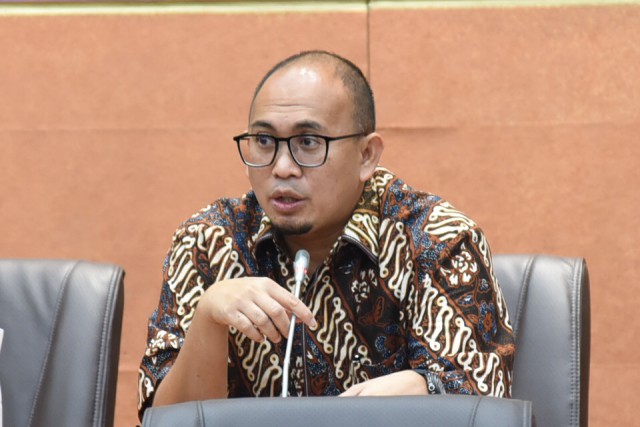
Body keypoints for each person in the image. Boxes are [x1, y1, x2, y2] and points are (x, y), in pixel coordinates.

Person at [137, 50, 515, 420]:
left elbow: (483, 405)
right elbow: (165, 421)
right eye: (264, 141)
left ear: (366, 155)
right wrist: (208, 319)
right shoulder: (209, 243)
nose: (282, 167)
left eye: (308, 143)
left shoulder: (435, 240)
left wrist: (429, 389)